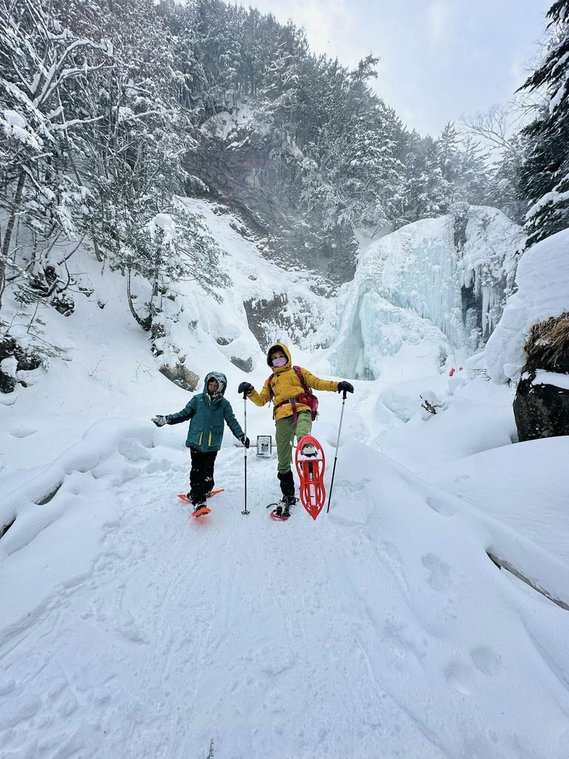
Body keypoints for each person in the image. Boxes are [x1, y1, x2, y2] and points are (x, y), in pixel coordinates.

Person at [238, 342, 353, 517]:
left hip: (302, 409)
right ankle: (288, 494)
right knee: (283, 458)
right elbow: (262, 400)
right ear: (271, 361)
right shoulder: (270, 381)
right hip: (281, 416)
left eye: (280, 356)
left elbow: (317, 382)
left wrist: (338, 386)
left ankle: (309, 462)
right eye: (274, 358)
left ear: (287, 356)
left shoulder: (298, 371)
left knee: (303, 437)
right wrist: (250, 391)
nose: (278, 360)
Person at [152, 371, 249, 512]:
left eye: (216, 385)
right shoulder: (197, 400)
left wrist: (241, 436)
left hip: (212, 443)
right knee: (197, 470)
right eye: (211, 383)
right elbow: (183, 414)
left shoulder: (224, 405)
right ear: (206, 384)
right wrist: (166, 419)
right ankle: (199, 500)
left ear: (222, 387)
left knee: (208, 469)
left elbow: (232, 421)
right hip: (196, 441)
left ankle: (206, 490)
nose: (213, 386)